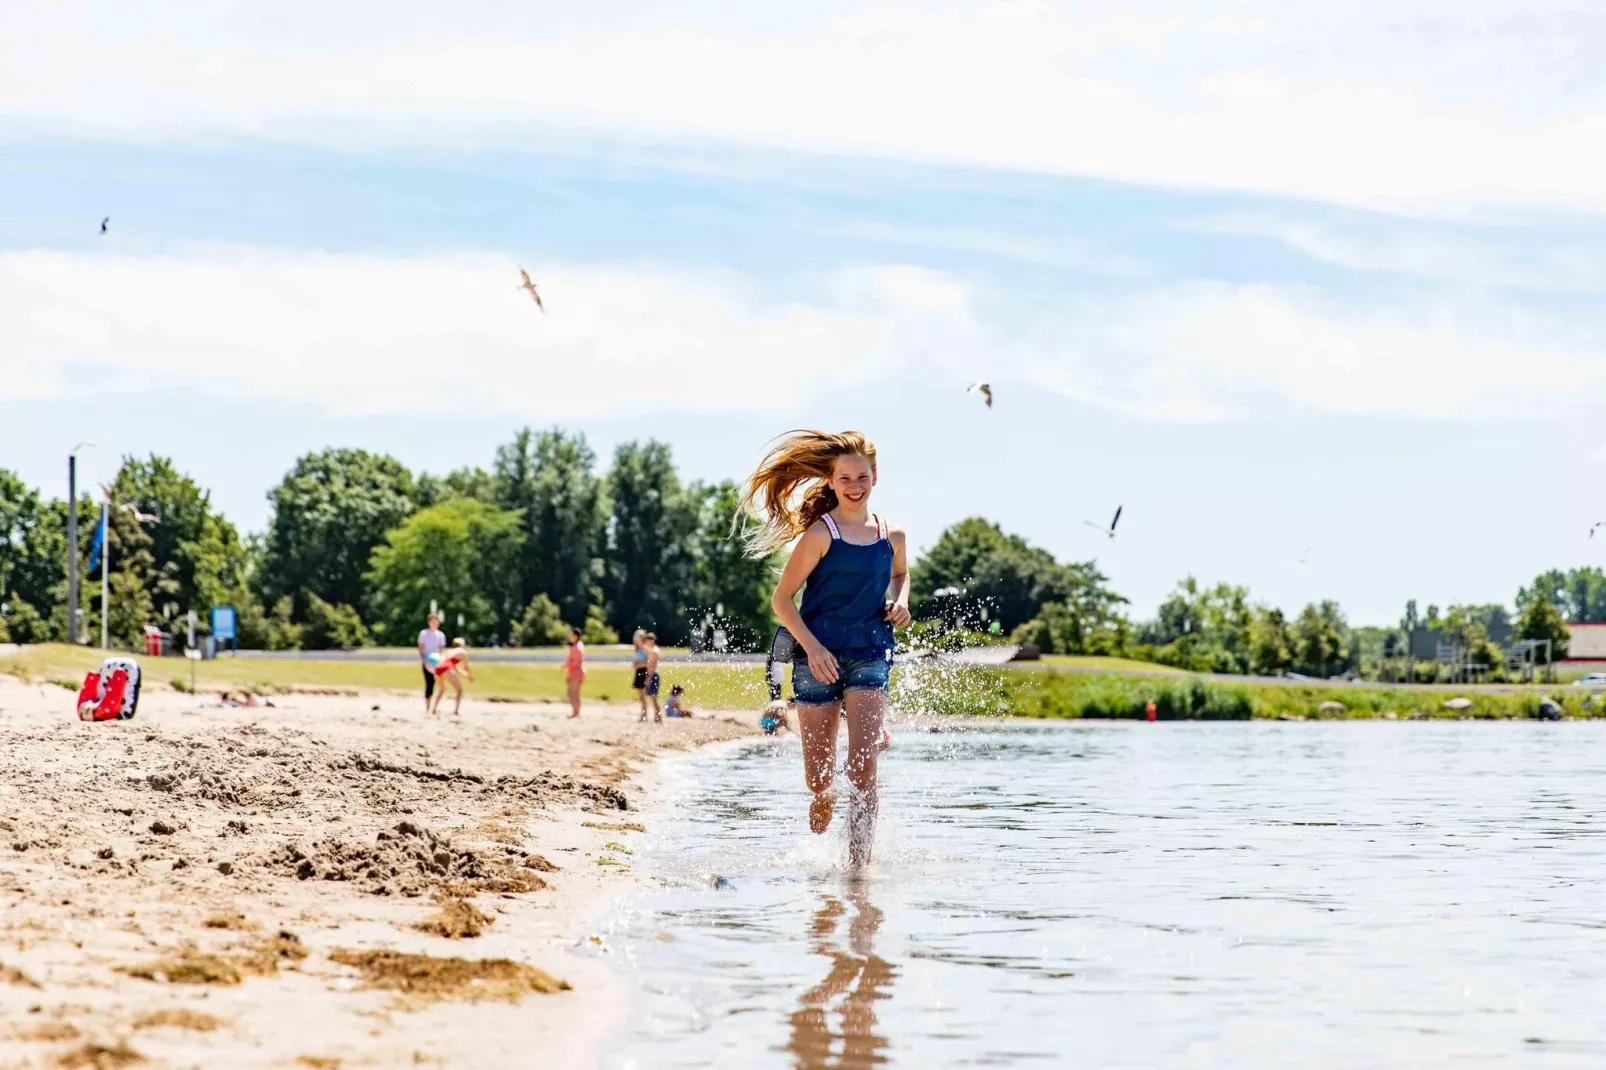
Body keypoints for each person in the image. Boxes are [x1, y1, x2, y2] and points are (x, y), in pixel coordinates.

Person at [739, 430, 909, 868]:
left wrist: (900, 600)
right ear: (831, 482)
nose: (855, 486)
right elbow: (781, 600)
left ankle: (859, 872)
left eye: (863, 477)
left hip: (871, 653)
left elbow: (900, 575)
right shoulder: (819, 534)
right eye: (846, 478)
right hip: (818, 659)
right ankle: (823, 794)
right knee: (820, 777)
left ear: (875, 477)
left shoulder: (894, 534)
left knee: (863, 769)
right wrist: (812, 648)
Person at [427, 638, 473, 717]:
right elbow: (466, 666)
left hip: (437, 669)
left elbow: (454, 667)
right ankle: (456, 711)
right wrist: (469, 675)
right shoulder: (463, 652)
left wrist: (465, 674)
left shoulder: (449, 651)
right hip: (446, 669)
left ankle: (433, 710)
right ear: (461, 645)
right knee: (459, 690)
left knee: (442, 689)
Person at [418, 611, 447, 713]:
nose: (434, 623)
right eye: (432, 621)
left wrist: (439, 661)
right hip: (426, 661)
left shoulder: (441, 635)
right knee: (429, 683)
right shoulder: (423, 633)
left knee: (439, 684)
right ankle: (427, 707)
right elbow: (421, 648)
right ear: (429, 622)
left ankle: (434, 707)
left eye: (436, 621)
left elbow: (441, 649)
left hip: (437, 662)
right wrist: (425, 660)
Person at [642, 632, 663, 724]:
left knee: (654, 697)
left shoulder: (654, 651)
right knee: (653, 697)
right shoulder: (653, 650)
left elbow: (652, 666)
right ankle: (657, 716)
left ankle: (658, 717)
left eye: (648, 641)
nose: (647, 643)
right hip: (652, 675)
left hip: (653, 675)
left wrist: (648, 678)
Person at [565, 626, 585, 719]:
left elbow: (576, 662)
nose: (570, 636)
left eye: (572, 635)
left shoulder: (575, 647)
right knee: (576, 693)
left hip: (575, 672)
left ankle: (575, 712)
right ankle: (577, 712)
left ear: (576, 636)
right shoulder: (580, 645)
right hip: (579, 672)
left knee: (572, 693)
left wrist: (567, 664)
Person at [630, 628, 650, 718]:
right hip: (639, 671)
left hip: (643, 672)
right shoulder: (638, 650)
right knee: (641, 695)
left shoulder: (645, 649)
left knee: (643, 695)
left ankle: (644, 714)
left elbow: (649, 662)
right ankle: (643, 713)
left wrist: (638, 665)